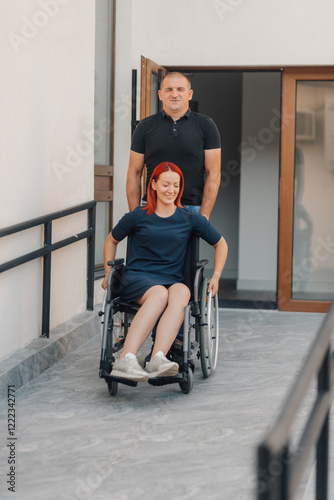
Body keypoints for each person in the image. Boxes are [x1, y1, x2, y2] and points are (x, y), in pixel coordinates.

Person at [102, 162, 228, 383]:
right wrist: (106, 272)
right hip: (139, 278)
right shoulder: (137, 216)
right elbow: (111, 240)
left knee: (182, 293)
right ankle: (126, 358)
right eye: (166, 184)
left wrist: (216, 275)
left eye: (176, 185)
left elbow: (221, 244)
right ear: (153, 185)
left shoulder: (188, 217)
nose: (171, 190)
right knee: (159, 294)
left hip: (171, 279)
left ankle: (157, 358)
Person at [126, 72, 221, 220]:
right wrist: (133, 215)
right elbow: (134, 172)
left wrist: (204, 215)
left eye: (180, 89)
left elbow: (213, 173)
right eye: (169, 89)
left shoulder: (206, 125)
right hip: (152, 207)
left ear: (189, 94)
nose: (174, 94)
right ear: (160, 94)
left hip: (191, 209)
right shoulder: (144, 126)